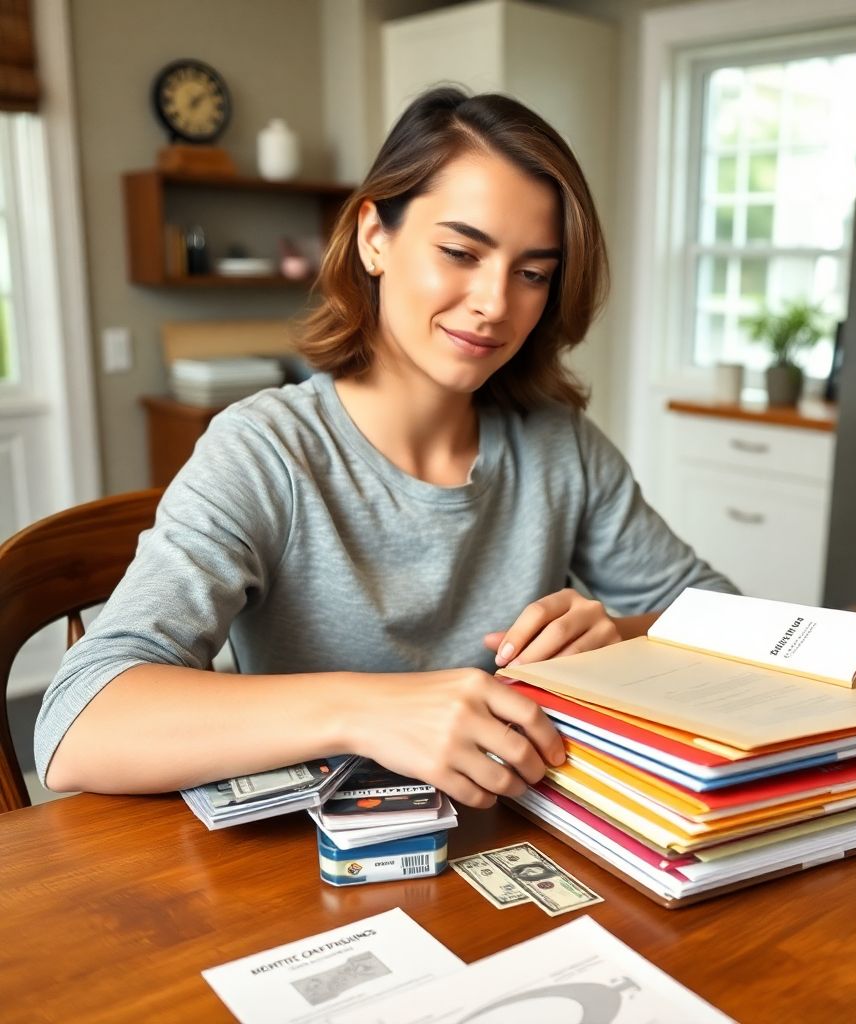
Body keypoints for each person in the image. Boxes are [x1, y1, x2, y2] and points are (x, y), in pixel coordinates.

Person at [36, 87, 735, 808]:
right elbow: (76, 724)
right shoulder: (265, 452)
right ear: (375, 237)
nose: (496, 303)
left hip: (508, 838)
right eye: (461, 251)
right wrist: (366, 711)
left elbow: (732, 619)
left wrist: (622, 635)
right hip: (308, 871)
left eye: (532, 273)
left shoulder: (562, 447)